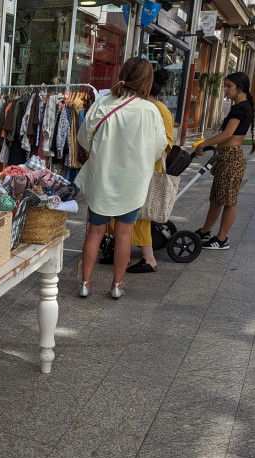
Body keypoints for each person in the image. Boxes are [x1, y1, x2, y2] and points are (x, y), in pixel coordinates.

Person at [75, 57, 167, 299]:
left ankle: (86, 283)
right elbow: (159, 147)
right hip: (132, 182)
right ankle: (116, 286)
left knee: (95, 231)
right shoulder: (150, 111)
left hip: (102, 178)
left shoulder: (103, 103)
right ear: (147, 81)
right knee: (124, 233)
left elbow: (83, 139)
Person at [100, 69, 174, 273]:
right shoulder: (145, 107)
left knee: (139, 215)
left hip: (146, 169)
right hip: (132, 167)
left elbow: (166, 142)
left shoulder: (157, 109)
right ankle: (119, 253)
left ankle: (148, 258)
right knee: (125, 212)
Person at [194, 72, 255, 249]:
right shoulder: (241, 106)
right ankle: (204, 231)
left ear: (240, 87)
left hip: (232, 158)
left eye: (229, 86)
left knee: (228, 200)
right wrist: (217, 159)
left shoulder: (241, 108)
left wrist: (204, 144)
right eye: (225, 85)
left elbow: (227, 134)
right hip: (227, 157)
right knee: (216, 198)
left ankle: (222, 239)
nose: (225, 89)